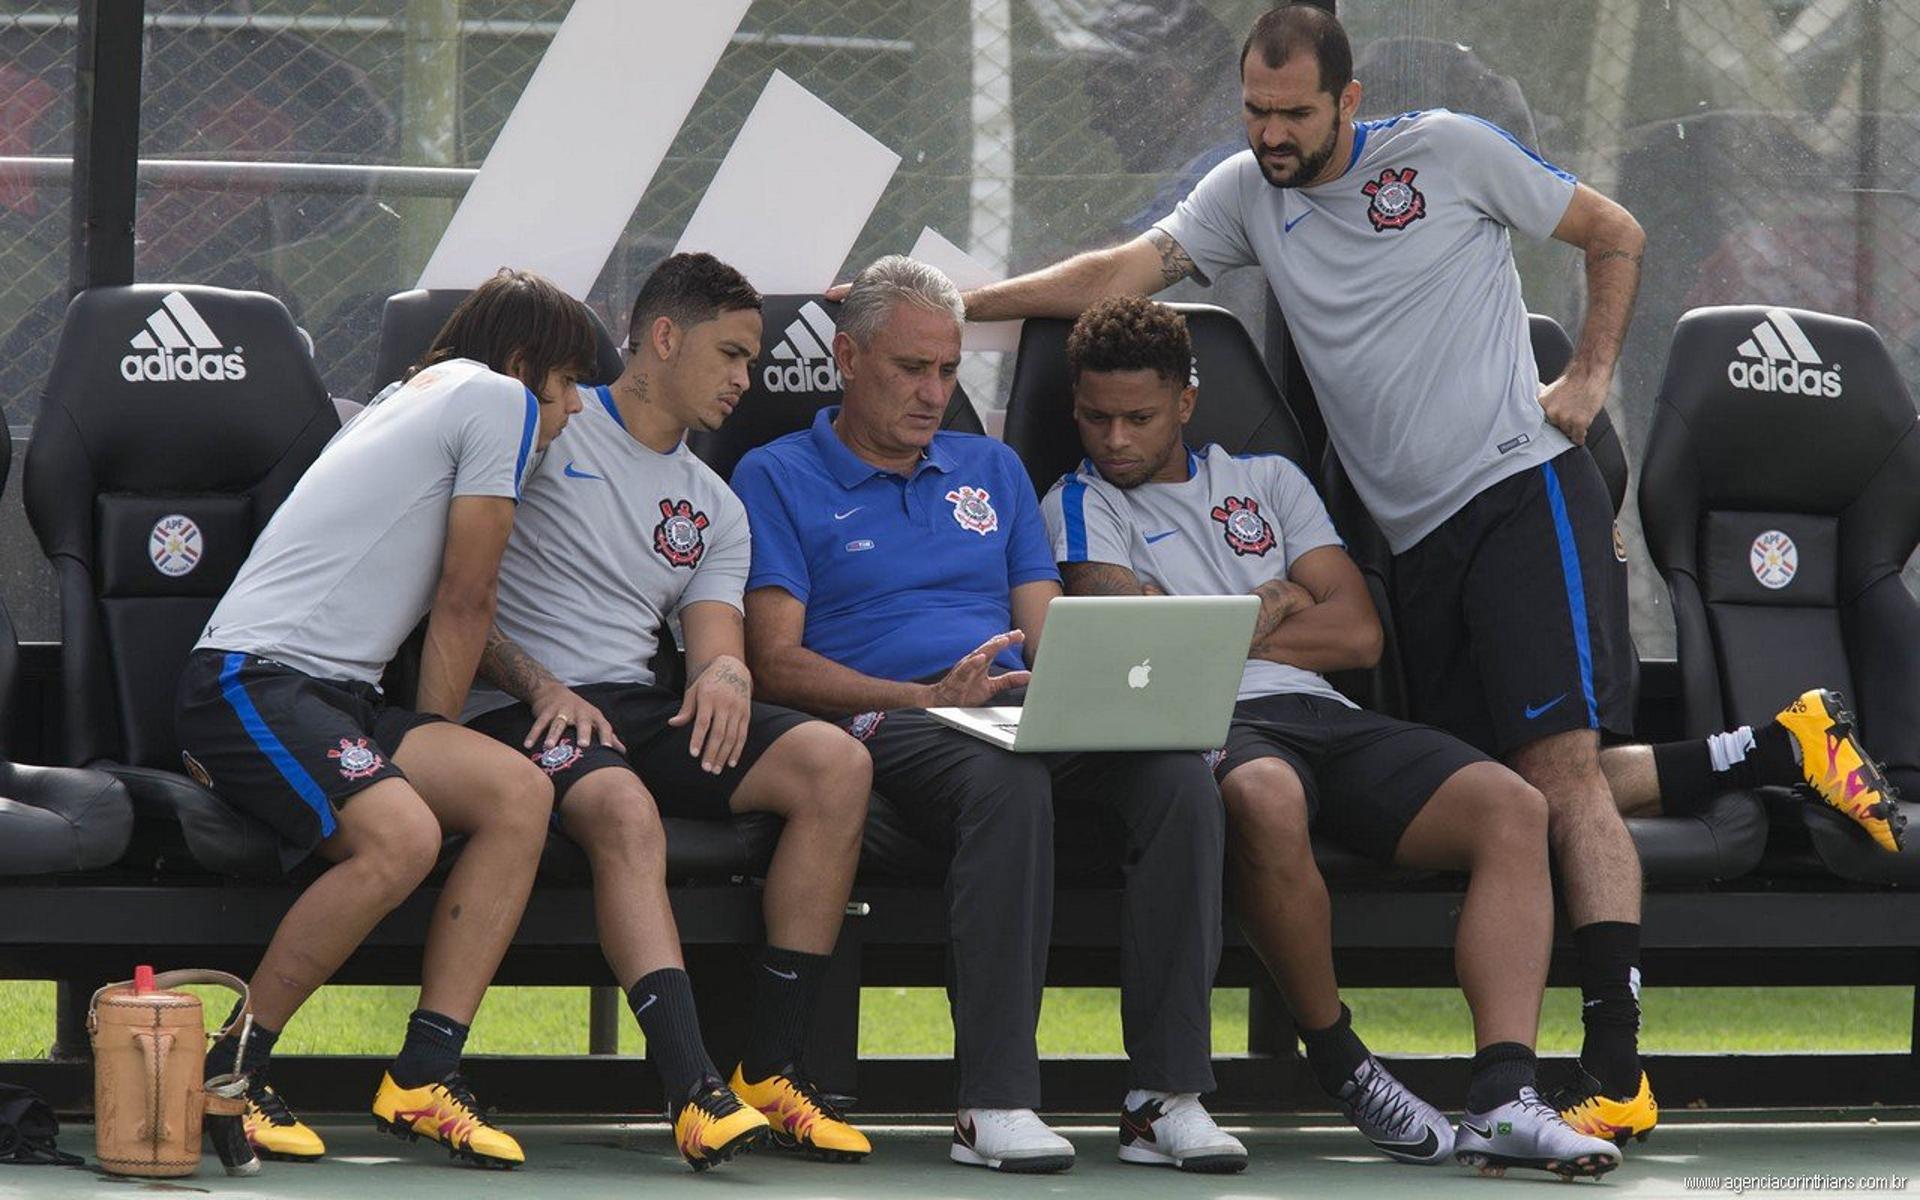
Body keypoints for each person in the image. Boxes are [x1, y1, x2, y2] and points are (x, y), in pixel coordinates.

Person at [946, 3, 1904, 1145]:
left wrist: (1592, 381)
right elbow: (1118, 269)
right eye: (1253, 110)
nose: (1270, 133)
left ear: (1348, 100)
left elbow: (1616, 231)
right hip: (1415, 544)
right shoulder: (1246, 195)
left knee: (1556, 773)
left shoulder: (1446, 149)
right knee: (1528, 778)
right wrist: (960, 308)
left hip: (1517, 491)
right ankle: (1776, 745)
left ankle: (1613, 1064)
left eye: (1292, 112)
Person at [1045, 296, 1621, 1178]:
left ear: (1186, 404)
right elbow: (1143, 639)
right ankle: (1343, 1062)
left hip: (1323, 712)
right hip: (1211, 722)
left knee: (1513, 805)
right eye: (1094, 416)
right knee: (1263, 796)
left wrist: (1222, 621)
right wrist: (1274, 597)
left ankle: (1505, 1099)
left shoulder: (1269, 480)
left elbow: (1357, 635)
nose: (1113, 438)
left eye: (1138, 417)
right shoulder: (1075, 504)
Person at [731, 256, 1243, 1175]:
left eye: (949, 370)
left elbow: (1046, 629)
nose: (934, 393)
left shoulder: (993, 469)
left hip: (1012, 714)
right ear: (846, 358)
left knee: (1178, 777)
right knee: (1006, 780)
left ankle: (1164, 1097)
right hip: (887, 720)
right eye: (910, 369)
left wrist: (1098, 696)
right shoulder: (777, 474)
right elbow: (775, 663)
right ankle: (992, 1101)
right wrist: (926, 697)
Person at [462, 253, 875, 1170]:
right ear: (661, 338)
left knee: (836, 767)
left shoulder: (716, 505)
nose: (745, 380)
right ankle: (694, 1091)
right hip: (513, 709)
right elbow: (456, 598)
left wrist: (725, 676)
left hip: (632, 710)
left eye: (752, 360)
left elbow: (717, 636)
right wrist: (539, 684)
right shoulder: (550, 426)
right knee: (623, 807)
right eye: (730, 355)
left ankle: (771, 1069)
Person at [176, 269, 595, 1170]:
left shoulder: (424, 389)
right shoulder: (498, 396)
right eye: (568, 385)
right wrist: (429, 739)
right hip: (251, 683)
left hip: (334, 697)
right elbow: (465, 596)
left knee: (518, 794)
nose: (574, 409)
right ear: (527, 366)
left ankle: (423, 1077)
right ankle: (228, 1074)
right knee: (402, 838)